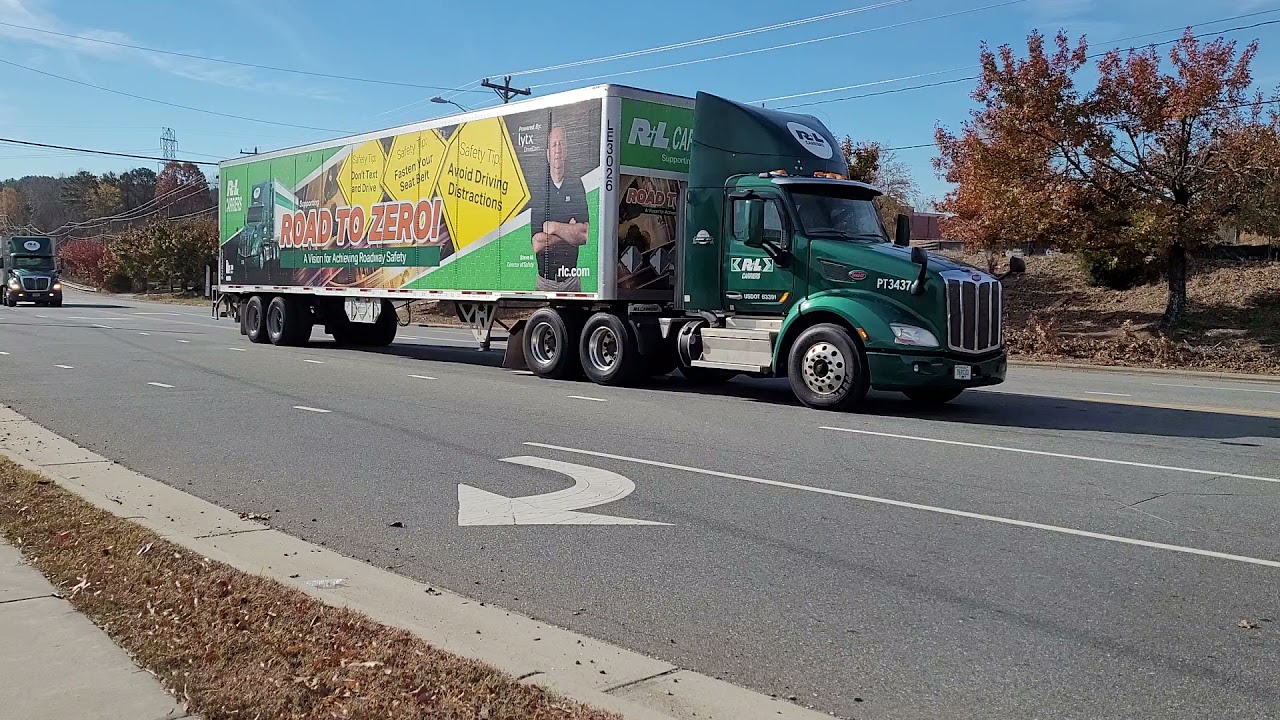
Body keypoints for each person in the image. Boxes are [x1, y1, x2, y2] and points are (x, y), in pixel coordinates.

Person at [532, 125, 590, 291]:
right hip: (544, 283)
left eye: (561, 144)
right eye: (554, 145)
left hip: (571, 282)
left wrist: (554, 227)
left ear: (566, 151)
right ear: (547, 153)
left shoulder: (575, 185)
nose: (557, 149)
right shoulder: (540, 190)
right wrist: (569, 231)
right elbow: (537, 243)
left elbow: (584, 235)